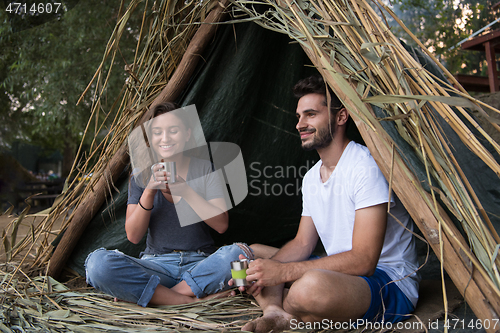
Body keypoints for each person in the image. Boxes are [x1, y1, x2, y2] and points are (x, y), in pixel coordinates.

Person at [234, 75, 420, 332]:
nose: (300, 124)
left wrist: (283, 274)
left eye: (310, 114)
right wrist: (268, 270)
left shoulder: (365, 166)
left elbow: (364, 261)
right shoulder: (312, 177)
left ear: (341, 117)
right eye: (298, 116)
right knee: (254, 254)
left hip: (387, 280)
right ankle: (276, 311)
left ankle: (289, 307)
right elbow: (302, 243)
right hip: (340, 272)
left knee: (308, 288)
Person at [85, 102, 254, 306]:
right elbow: (133, 236)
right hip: (157, 266)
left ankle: (160, 296)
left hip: (201, 264)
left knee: (239, 256)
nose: (165, 138)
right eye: (157, 132)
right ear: (150, 139)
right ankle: (191, 300)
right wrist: (149, 191)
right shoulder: (140, 175)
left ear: (187, 134)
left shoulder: (205, 169)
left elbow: (221, 225)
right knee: (98, 265)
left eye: (173, 131)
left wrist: (185, 191)